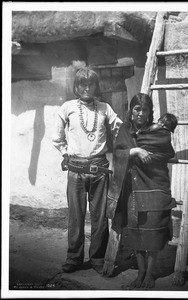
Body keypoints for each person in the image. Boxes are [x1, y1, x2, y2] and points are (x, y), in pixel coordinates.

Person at [52, 67, 122, 274]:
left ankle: (98, 257)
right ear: (76, 86)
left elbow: (119, 128)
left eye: (90, 84)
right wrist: (65, 153)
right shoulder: (67, 107)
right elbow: (57, 137)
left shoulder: (105, 108)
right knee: (76, 216)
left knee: (100, 217)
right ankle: (74, 258)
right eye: (82, 84)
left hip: (99, 170)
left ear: (96, 86)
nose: (86, 88)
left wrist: (131, 145)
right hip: (75, 170)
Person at [105, 93, 176, 289]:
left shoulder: (158, 131)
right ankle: (140, 272)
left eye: (145, 110)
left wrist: (150, 156)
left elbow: (166, 152)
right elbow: (117, 153)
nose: (141, 114)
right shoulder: (124, 131)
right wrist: (134, 152)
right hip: (132, 188)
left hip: (153, 186)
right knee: (135, 232)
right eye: (137, 109)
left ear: (150, 112)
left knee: (152, 232)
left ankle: (150, 274)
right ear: (131, 111)